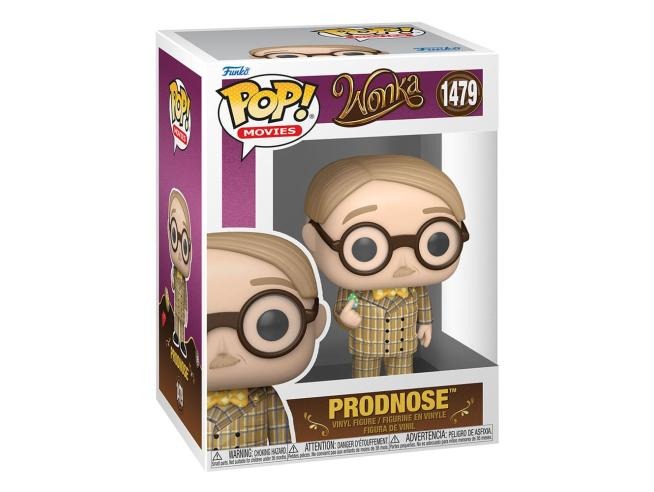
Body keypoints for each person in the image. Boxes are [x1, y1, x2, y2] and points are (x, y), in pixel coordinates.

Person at [302, 155, 469, 378]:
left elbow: (423, 302)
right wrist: (344, 317)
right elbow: (346, 305)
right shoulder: (356, 292)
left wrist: (426, 324)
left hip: (403, 343)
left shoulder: (415, 288)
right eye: (364, 246)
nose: (403, 264)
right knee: (364, 381)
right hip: (367, 344)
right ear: (313, 238)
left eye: (435, 241)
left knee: (402, 381)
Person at [206, 231, 327, 449]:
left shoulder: (266, 398)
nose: (222, 349)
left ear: (318, 323)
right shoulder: (190, 396)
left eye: (270, 322)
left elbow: (282, 444)